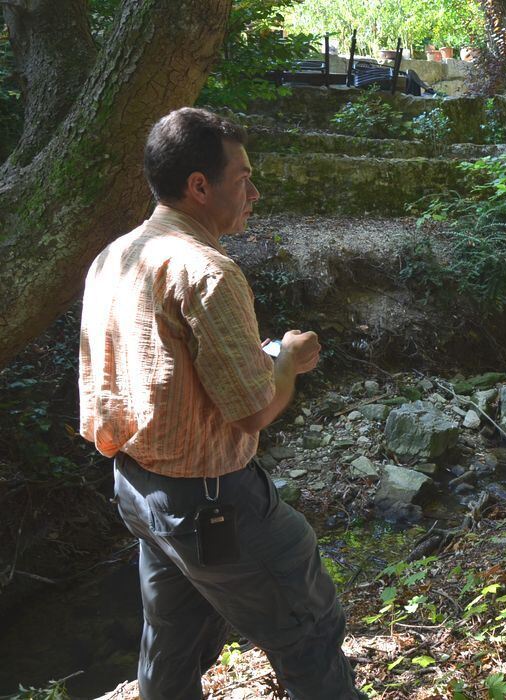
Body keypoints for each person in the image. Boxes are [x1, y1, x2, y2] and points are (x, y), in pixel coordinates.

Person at [79, 108, 364, 699]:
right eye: (243, 179)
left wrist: (258, 357)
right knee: (309, 628)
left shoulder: (114, 257)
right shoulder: (206, 270)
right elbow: (253, 410)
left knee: (173, 641)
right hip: (210, 501)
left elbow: (163, 369)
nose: (254, 194)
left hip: (137, 490)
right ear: (199, 186)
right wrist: (286, 362)